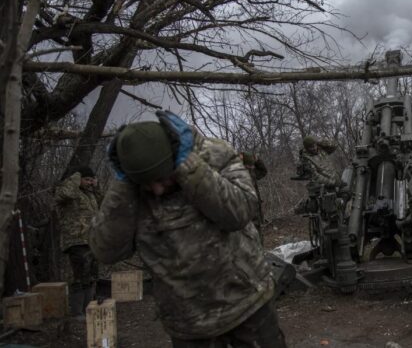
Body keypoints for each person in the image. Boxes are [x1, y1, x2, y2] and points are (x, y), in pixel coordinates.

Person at [90, 111, 285, 348]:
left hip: (247, 303)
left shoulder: (215, 154)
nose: (158, 190)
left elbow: (240, 212)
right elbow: (106, 251)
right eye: (147, 183)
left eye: (162, 178)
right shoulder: (129, 188)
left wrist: (189, 168)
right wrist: (123, 187)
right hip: (188, 321)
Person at [55, 165, 102, 317]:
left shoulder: (89, 194)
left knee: (90, 275)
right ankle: (77, 312)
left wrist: (96, 186)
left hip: (91, 240)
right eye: (86, 179)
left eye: (91, 180)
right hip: (75, 240)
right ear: (78, 179)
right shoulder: (67, 190)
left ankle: (88, 308)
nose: (89, 182)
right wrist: (75, 177)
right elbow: (65, 194)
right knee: (79, 276)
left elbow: (104, 203)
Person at [240, 152, 268, 243]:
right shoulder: (237, 174)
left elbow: (263, 171)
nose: (252, 167)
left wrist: (258, 160)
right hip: (244, 210)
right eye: (249, 165)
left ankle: (260, 251)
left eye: (252, 165)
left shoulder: (252, 172)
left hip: (255, 209)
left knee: (258, 233)